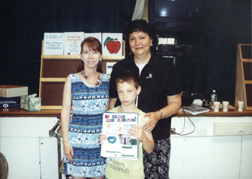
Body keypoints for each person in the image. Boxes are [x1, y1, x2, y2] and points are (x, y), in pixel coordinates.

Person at [108, 19, 182, 179]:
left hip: (157, 137)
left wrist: (158, 115)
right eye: (132, 38)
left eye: (142, 37)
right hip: (125, 138)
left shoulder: (166, 66)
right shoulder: (119, 68)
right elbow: (112, 103)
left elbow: (176, 103)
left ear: (151, 40)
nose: (137, 43)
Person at [61, 37, 109, 179]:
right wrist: (65, 141)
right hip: (77, 144)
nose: (90, 56)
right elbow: (65, 111)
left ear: (101, 55)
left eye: (94, 52)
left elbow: (111, 111)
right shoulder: (71, 80)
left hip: (100, 144)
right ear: (81, 55)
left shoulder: (108, 80)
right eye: (86, 52)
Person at [99, 70, 154, 179]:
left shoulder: (143, 118)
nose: (125, 96)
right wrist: (102, 140)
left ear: (138, 90)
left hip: (134, 176)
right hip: (112, 174)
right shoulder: (110, 115)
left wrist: (143, 137)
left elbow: (150, 149)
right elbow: (106, 142)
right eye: (121, 91)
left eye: (129, 91)